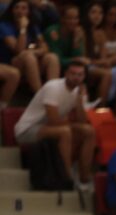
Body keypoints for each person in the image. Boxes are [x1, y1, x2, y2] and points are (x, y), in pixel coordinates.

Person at [14, 59, 95, 188]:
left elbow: (82, 121)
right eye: (73, 73)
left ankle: (84, 178)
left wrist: (79, 100)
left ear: (84, 77)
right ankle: (67, 178)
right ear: (66, 74)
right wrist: (72, 124)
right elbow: (54, 120)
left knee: (89, 131)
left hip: (50, 129)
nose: (76, 77)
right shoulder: (53, 87)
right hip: (27, 130)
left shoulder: (79, 92)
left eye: (80, 75)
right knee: (65, 132)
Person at [82, 1, 116, 118]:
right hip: (86, 64)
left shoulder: (111, 33)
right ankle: (101, 112)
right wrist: (105, 61)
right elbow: (86, 57)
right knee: (108, 74)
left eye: (100, 13)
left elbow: (106, 57)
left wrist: (110, 59)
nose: (97, 16)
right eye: (93, 12)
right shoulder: (83, 31)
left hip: (103, 64)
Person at [0, 0, 58, 92]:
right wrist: (23, 29)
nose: (20, 11)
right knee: (28, 57)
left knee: (52, 57)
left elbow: (45, 47)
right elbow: (18, 51)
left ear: (29, 11)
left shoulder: (33, 26)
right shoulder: (4, 26)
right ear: (11, 10)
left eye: (24, 8)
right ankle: (39, 95)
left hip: (31, 60)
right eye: (17, 8)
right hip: (10, 63)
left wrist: (33, 52)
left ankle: (53, 93)